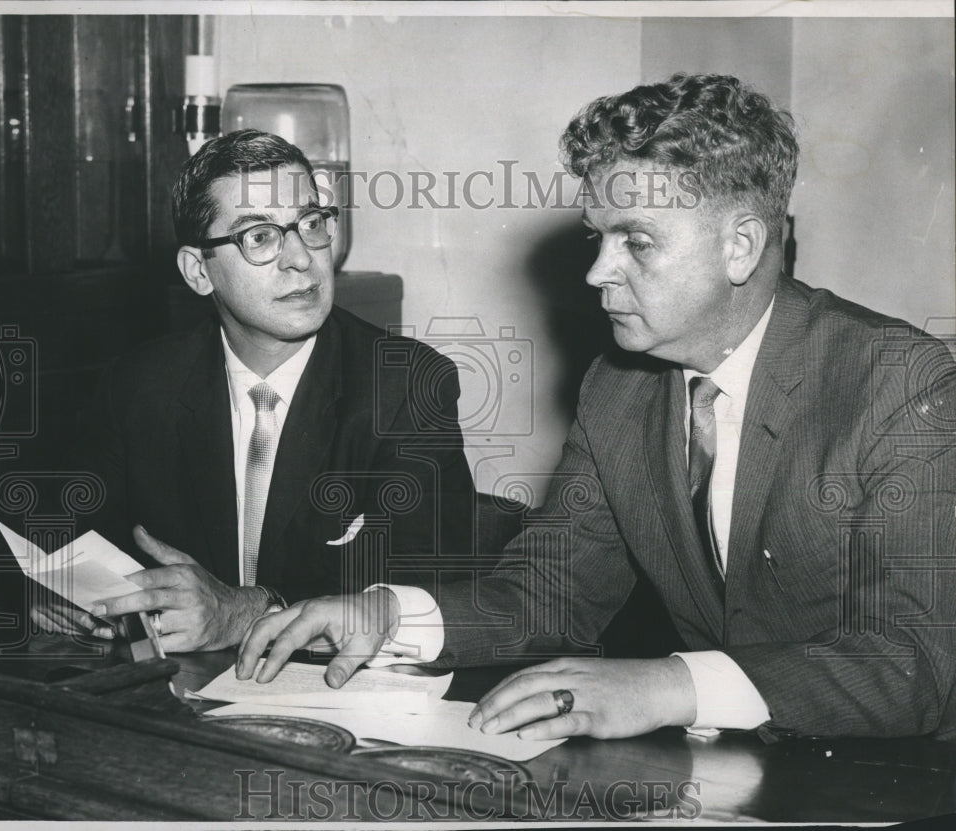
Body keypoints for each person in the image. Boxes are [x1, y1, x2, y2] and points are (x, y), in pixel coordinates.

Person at [237, 75, 956, 741]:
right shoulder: (619, 386)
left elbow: (914, 662)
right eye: (598, 237)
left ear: (740, 246)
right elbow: (551, 592)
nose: (596, 271)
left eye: (635, 241)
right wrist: (391, 613)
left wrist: (671, 684)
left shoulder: (899, 383)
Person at [31, 129, 475, 653]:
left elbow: (434, 595)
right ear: (199, 271)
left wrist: (245, 611)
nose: (301, 258)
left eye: (310, 224)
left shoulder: (405, 386)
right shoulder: (140, 386)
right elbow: (67, 539)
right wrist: (61, 595)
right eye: (260, 236)